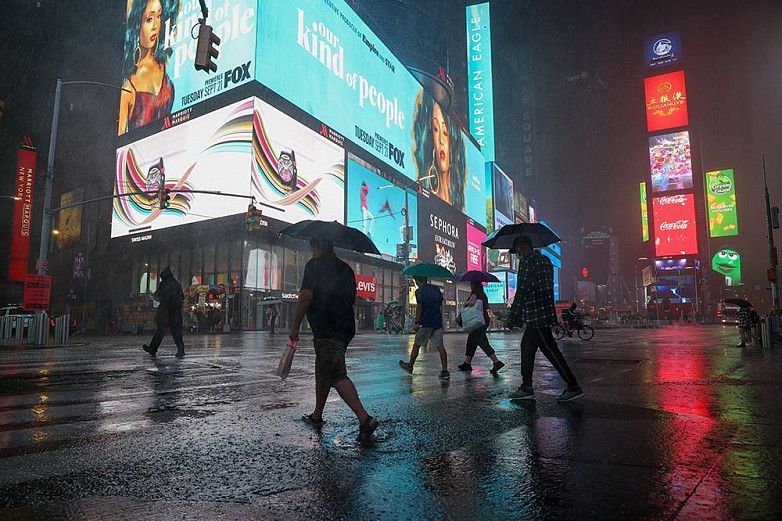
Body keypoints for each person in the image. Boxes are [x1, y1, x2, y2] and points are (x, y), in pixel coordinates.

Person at [290, 238, 378, 441]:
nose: (311, 252)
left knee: (335, 373)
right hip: (345, 328)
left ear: (317, 247)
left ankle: (365, 419)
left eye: (312, 248)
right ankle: (317, 415)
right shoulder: (346, 269)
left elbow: (305, 295)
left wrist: (295, 325)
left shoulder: (314, 265)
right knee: (324, 369)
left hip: (327, 328)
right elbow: (352, 299)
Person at [506, 236, 583, 402]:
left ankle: (573, 386)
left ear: (522, 246)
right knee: (526, 347)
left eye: (517, 250)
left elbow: (523, 290)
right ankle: (526, 387)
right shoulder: (546, 260)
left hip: (536, 315)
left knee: (550, 350)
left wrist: (513, 316)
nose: (517, 254)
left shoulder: (526, 262)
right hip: (544, 311)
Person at [118, 0, 178, 134]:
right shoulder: (128, 86)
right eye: (149, 19)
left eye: (159, 16)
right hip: (141, 152)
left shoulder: (163, 64)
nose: (155, 25)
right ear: (137, 24)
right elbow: (120, 142)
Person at [411, 93, 467, 210]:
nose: (441, 140)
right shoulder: (423, 192)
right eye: (436, 129)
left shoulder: (460, 204)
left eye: (445, 133)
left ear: (453, 143)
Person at [399, 276, 450, 380]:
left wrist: (417, 322)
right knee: (440, 347)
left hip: (426, 322)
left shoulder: (419, 291)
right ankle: (445, 371)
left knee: (417, 345)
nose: (416, 283)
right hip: (437, 321)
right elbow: (440, 303)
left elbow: (419, 307)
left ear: (418, 280)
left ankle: (410, 366)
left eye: (415, 280)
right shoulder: (436, 289)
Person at [458, 281, 505, 375]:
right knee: (471, 342)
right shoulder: (483, 294)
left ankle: (496, 362)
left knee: (482, 342)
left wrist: (465, 303)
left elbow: (471, 303)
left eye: (471, 284)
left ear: (473, 286)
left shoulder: (474, 294)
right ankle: (467, 363)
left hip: (477, 322)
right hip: (482, 320)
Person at [143, 267, 185, 358]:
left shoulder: (164, 284)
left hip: (165, 311)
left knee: (160, 332)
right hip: (175, 311)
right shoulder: (177, 284)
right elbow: (181, 298)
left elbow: (157, 295)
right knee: (176, 333)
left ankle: (153, 348)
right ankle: (181, 350)